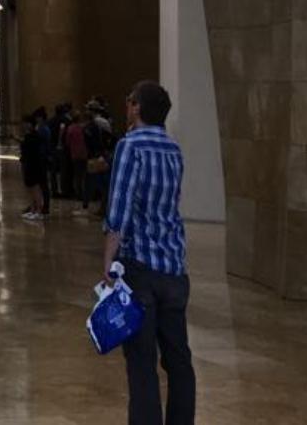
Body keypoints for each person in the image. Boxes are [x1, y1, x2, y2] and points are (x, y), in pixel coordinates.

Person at [103, 82, 195, 425]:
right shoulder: (174, 149)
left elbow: (119, 210)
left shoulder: (130, 146)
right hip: (173, 267)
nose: (126, 105)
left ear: (137, 107)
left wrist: (108, 262)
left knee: (142, 362)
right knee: (178, 360)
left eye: (130, 101)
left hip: (139, 267)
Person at [19, 115, 47, 222]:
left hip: (34, 165)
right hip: (28, 164)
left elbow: (32, 151)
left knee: (36, 189)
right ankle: (33, 209)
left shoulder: (34, 136)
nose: (24, 125)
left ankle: (39, 211)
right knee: (30, 188)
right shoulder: (28, 135)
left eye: (26, 123)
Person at [63, 111, 88, 206]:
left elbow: (67, 142)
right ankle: (85, 193)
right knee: (84, 174)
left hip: (74, 153)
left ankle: (78, 194)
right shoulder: (83, 128)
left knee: (77, 175)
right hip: (84, 153)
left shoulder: (70, 129)